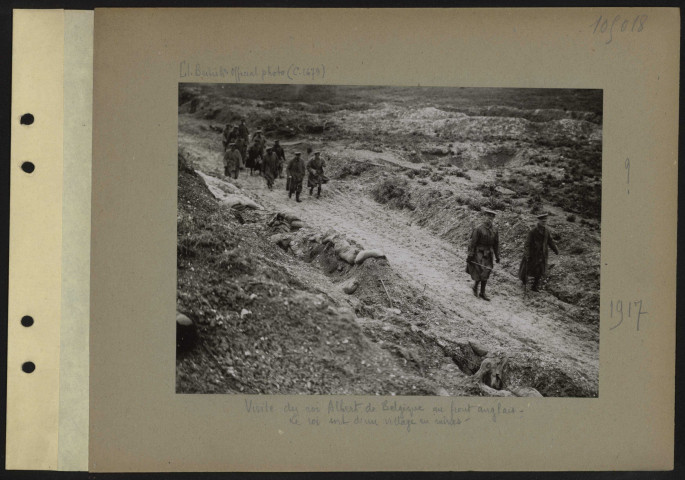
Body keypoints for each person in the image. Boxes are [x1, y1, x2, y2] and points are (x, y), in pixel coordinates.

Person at [518, 213, 559, 292]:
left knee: (540, 270)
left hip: (542, 254)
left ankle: (535, 286)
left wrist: (556, 250)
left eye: (545, 221)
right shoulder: (533, 231)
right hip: (533, 254)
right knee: (527, 268)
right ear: (539, 221)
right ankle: (523, 280)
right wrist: (527, 254)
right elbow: (527, 244)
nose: (544, 223)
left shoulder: (547, 231)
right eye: (542, 221)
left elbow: (550, 241)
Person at [466, 208, 500, 301]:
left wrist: (497, 256)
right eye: (488, 216)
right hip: (479, 252)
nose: (490, 218)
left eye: (492, 217)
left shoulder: (495, 230)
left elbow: (496, 244)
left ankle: (482, 292)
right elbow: (472, 243)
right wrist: (470, 254)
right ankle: (476, 287)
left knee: (487, 271)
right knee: (480, 271)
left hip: (489, 253)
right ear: (484, 216)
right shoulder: (478, 228)